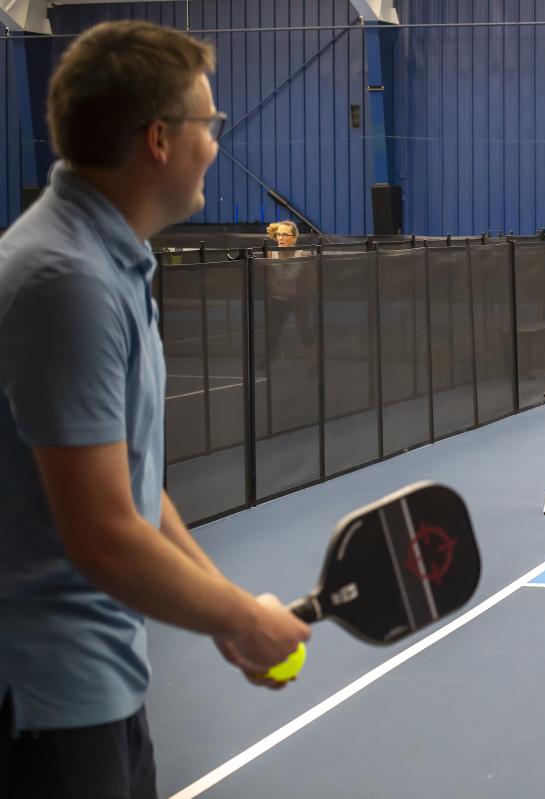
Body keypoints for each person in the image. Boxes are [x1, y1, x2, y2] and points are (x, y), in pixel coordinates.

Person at [0, 21, 310, 799]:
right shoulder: (65, 280)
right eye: (211, 124)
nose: (216, 141)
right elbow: (103, 534)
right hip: (45, 707)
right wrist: (241, 618)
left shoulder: (109, 261)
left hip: (99, 686)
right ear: (162, 140)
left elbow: (132, 485)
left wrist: (224, 618)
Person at [263, 220, 316, 371]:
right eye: (278, 234)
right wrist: (272, 290)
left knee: (304, 329)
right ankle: (273, 353)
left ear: (293, 238)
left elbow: (312, 281)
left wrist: (299, 294)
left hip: (299, 300)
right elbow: (266, 276)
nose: (281, 238)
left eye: (285, 235)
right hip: (279, 299)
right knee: (271, 329)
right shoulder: (270, 254)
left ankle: (313, 364)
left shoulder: (303, 256)